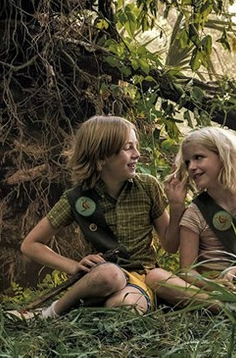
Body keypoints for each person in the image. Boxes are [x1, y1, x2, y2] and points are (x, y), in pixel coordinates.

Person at [20, 115, 199, 318]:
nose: (137, 154)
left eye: (136, 146)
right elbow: (30, 244)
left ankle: (90, 311)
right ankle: (48, 314)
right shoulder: (78, 197)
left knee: (126, 307)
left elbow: (170, 245)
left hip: (140, 278)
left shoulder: (147, 187)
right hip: (100, 277)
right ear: (102, 156)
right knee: (110, 274)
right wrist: (73, 266)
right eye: (128, 147)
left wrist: (176, 206)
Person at [147, 126, 236, 301]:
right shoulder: (195, 213)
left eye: (198, 158)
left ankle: (232, 301)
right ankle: (228, 305)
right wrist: (213, 284)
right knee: (156, 277)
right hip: (210, 287)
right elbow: (187, 270)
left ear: (224, 156)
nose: (192, 167)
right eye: (187, 162)